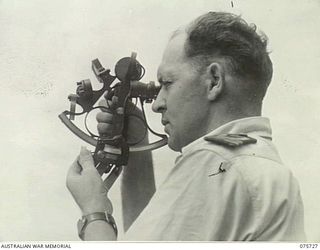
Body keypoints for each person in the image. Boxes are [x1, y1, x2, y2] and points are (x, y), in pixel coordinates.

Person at [66, 12, 306, 241]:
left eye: (167, 83)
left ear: (214, 81)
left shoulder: (215, 161)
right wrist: (137, 141)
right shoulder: (263, 165)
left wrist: (93, 210)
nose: (157, 104)